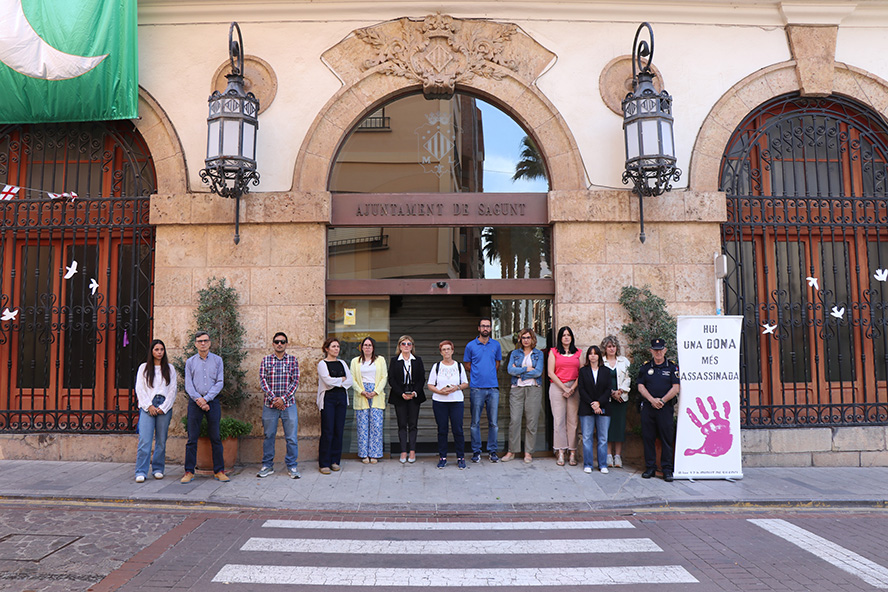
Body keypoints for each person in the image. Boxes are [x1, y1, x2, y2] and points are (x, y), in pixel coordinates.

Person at [182, 331, 227, 483]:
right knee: (192, 438)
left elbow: (220, 382)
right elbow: (188, 384)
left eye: (205, 341)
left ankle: (219, 471)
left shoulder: (218, 360)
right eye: (200, 341)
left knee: (215, 437)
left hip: (212, 402)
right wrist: (199, 400)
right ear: (195, 344)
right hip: (195, 403)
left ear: (210, 342)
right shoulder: (190, 362)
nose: (203, 343)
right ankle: (189, 471)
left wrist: (206, 399)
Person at [257, 332, 300, 479]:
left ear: (286, 344)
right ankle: (267, 466)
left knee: (291, 438)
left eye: (282, 342)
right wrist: (274, 399)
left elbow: (295, 382)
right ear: (273, 344)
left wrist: (283, 399)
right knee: (269, 436)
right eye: (277, 342)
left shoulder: (293, 360)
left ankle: (292, 466)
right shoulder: (266, 360)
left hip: (289, 405)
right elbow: (263, 381)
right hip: (270, 405)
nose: (279, 344)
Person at [637, 337, 680, 482]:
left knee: (666, 439)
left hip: (665, 408)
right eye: (655, 350)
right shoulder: (645, 367)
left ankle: (667, 469)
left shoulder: (672, 367)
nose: (658, 352)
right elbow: (640, 386)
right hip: (649, 408)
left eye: (660, 350)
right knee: (648, 438)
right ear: (651, 351)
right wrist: (652, 400)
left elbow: (676, 387)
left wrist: (662, 400)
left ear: (665, 350)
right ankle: (650, 468)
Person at [134, 339, 177, 482]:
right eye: (156, 349)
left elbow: (172, 390)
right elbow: (139, 388)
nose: (159, 352)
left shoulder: (170, 368)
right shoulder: (144, 368)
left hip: (164, 406)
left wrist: (163, 408)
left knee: (161, 440)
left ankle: (158, 469)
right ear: (151, 351)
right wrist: (149, 406)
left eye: (161, 350)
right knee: (145, 440)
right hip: (148, 406)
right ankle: (141, 471)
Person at [464, 318, 502, 463]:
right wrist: (479, 373)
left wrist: (489, 374)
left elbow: (497, 363)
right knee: (475, 422)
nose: (485, 328)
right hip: (476, 388)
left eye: (488, 326)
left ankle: (492, 451)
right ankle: (476, 451)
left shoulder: (496, 345)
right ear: (479, 328)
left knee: (494, 423)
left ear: (491, 329)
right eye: (483, 326)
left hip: (493, 388)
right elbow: (467, 365)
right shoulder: (470, 346)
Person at [503, 328, 544, 463]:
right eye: (523, 337)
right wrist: (526, 369)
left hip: (533, 388)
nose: (526, 340)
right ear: (520, 339)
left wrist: (519, 372)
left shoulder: (538, 354)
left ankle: (528, 452)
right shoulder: (514, 353)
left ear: (532, 339)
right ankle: (512, 451)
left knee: (531, 421)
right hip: (517, 389)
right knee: (514, 420)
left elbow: (538, 372)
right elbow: (510, 370)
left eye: (528, 337)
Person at [427, 340, 469, 470]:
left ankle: (460, 457)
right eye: (444, 349)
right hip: (440, 402)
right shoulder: (437, 366)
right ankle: (443, 457)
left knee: (458, 430)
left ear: (452, 351)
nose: (446, 351)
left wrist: (456, 388)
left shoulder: (459, 366)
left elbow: (465, 383)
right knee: (442, 430)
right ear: (441, 352)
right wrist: (440, 391)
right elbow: (430, 385)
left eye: (448, 349)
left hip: (456, 401)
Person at [316, 337, 353, 475]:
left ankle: (335, 461)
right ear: (327, 349)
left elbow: (350, 381)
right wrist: (341, 380)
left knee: (339, 430)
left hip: (341, 398)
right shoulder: (322, 364)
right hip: (329, 399)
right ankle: (324, 463)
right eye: (333, 346)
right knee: (328, 431)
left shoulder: (343, 363)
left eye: (337, 346)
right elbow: (327, 381)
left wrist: (339, 381)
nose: (336, 349)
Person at [388, 335, 426, 463]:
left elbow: (422, 378)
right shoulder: (394, 360)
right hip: (400, 394)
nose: (406, 346)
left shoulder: (417, 360)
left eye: (409, 344)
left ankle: (412, 451)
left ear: (412, 346)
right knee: (402, 424)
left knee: (413, 424)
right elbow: (391, 379)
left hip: (414, 394)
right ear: (399, 346)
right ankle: (403, 451)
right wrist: (401, 393)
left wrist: (415, 392)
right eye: (403, 344)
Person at [349, 336, 388, 464]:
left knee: (376, 425)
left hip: (376, 394)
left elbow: (384, 377)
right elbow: (352, 379)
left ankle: (375, 453)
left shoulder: (380, 360)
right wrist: (362, 391)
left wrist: (376, 391)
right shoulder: (355, 361)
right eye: (365, 345)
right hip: (362, 395)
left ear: (373, 347)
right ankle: (364, 454)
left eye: (369, 345)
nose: (367, 347)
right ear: (361, 347)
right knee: (362, 426)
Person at [548, 326, 582, 467]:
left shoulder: (578, 353)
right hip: (557, 387)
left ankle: (572, 452)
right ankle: (561, 451)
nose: (566, 337)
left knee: (573, 422)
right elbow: (550, 372)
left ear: (572, 337)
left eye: (568, 335)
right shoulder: (553, 352)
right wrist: (564, 388)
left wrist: (572, 388)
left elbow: (582, 373)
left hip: (574, 388)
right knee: (559, 421)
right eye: (563, 335)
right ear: (560, 338)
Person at [578, 345, 615, 474]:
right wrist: (593, 404)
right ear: (587, 356)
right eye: (590, 353)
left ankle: (602, 464)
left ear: (599, 356)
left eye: (595, 353)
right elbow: (581, 389)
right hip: (586, 408)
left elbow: (608, 389)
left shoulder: (606, 371)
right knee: (587, 437)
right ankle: (588, 464)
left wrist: (599, 403)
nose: (593, 356)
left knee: (603, 438)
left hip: (603, 407)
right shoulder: (583, 371)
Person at [601, 335, 631, 468]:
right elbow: (599, 380)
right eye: (609, 346)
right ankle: (608, 455)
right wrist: (611, 392)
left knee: (619, 427)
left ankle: (617, 456)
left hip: (621, 400)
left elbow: (629, 378)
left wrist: (621, 391)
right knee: (607, 427)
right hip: (606, 399)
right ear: (605, 348)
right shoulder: (602, 362)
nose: (611, 349)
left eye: (613, 346)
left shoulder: (624, 361)